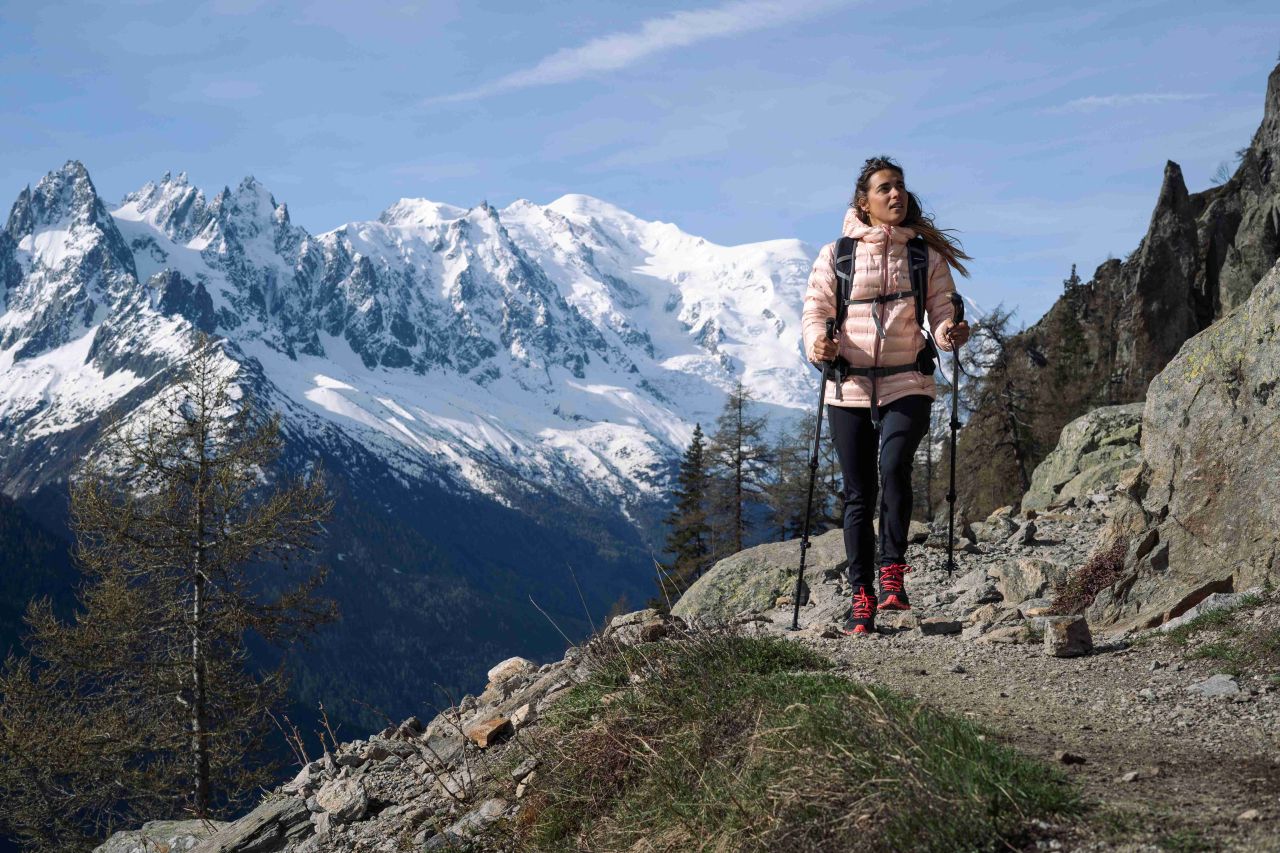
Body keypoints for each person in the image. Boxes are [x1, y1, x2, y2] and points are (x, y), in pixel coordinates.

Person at [802, 155, 972, 635]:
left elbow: (941, 313)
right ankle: (862, 594)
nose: (896, 194)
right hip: (848, 384)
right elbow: (815, 310)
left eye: (899, 186)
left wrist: (949, 333)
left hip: (907, 381)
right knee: (859, 493)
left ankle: (892, 570)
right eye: (885, 189)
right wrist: (819, 343)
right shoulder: (836, 255)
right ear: (864, 202)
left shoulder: (924, 257)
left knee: (894, 467)